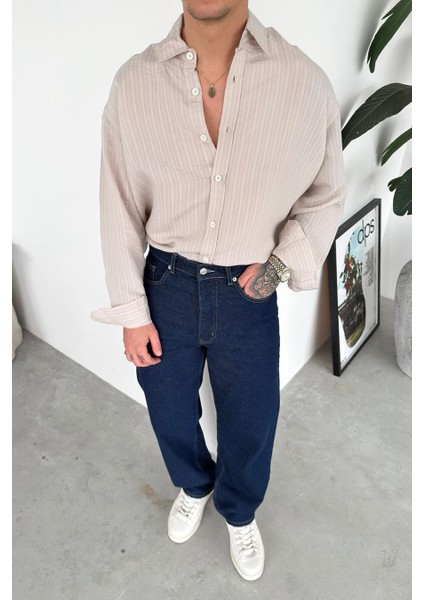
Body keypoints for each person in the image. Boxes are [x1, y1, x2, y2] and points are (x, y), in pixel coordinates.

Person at [91, 0, 346, 581]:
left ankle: (239, 511)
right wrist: (131, 311)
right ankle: (194, 483)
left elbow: (326, 195)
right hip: (165, 284)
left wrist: (278, 268)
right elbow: (118, 204)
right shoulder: (134, 83)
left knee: (252, 417)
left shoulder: (304, 82)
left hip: (246, 291)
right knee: (167, 407)